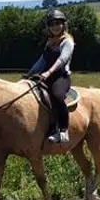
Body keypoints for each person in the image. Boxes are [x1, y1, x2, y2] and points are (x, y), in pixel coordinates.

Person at [26, 9, 75, 144]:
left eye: (58, 23)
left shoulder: (67, 41)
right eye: (52, 24)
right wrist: (29, 74)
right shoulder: (50, 42)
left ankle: (63, 130)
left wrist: (49, 72)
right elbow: (42, 61)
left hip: (60, 77)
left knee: (57, 96)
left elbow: (62, 59)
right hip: (45, 76)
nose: (55, 27)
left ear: (63, 25)